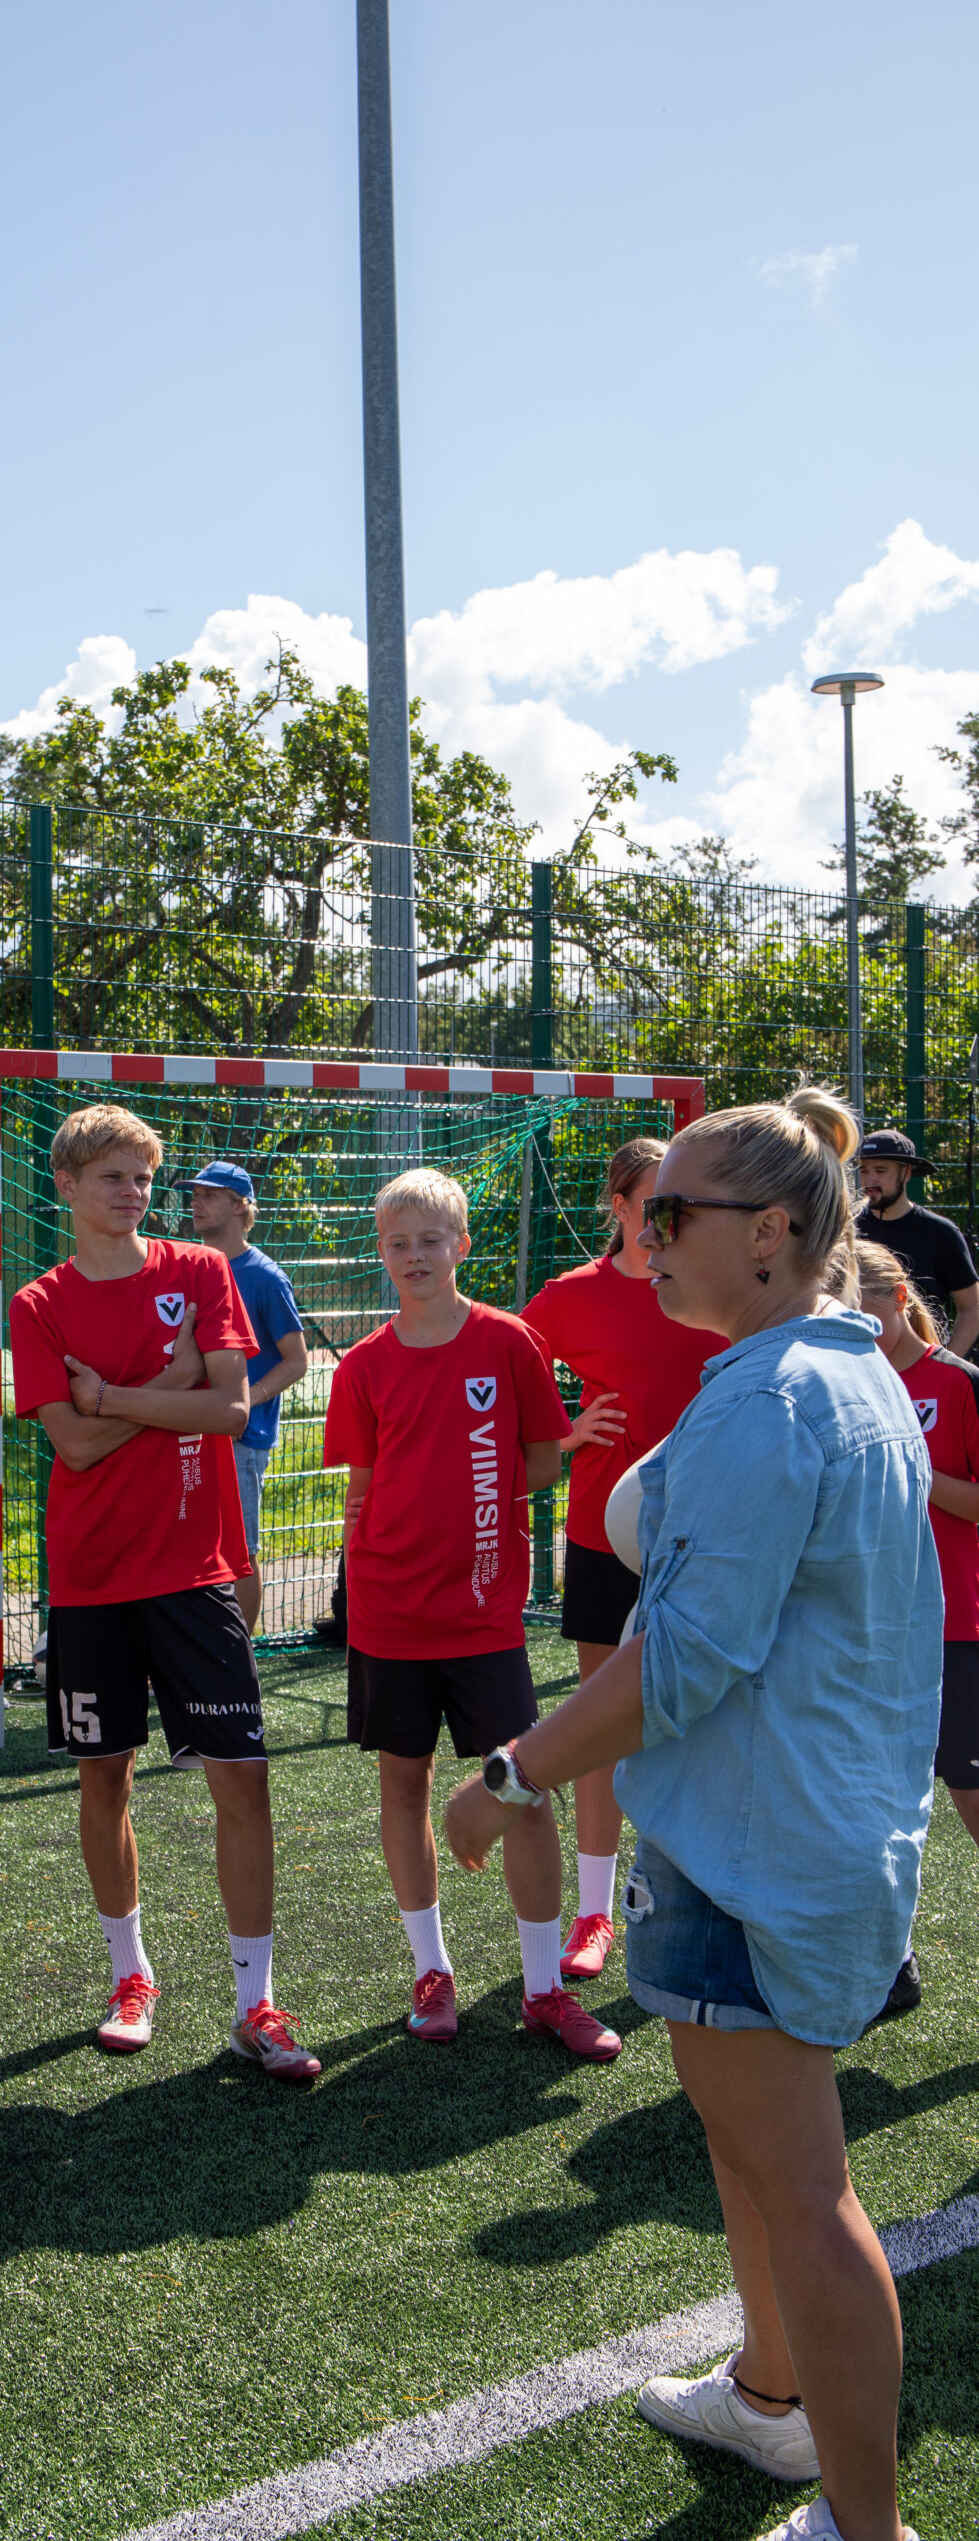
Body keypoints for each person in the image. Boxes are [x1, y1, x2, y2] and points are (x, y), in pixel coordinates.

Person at [445, 1085, 938, 2541]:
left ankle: (866, 2527)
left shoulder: (777, 1396)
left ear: (770, 1232)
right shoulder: (827, 1365)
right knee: (748, 2155)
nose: (645, 1236)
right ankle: (770, 2399)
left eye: (672, 1213)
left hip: (758, 1846)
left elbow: (680, 1663)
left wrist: (509, 1776)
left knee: (805, 2190)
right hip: (783, 1827)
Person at [7, 1103, 320, 2079]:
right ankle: (130, 1976)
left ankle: (255, 2003)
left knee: (244, 1779)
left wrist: (114, 1395)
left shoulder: (199, 1271)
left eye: (143, 1176)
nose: (134, 1192)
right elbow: (72, 1444)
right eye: (113, 1176)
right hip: (92, 1577)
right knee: (105, 1778)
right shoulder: (38, 1302)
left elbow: (227, 1408)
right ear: (67, 1186)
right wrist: (166, 1388)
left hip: (197, 1571)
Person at [322, 1166, 619, 2062]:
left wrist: (478, 1498)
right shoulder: (364, 1366)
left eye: (429, 1240)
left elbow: (542, 1460)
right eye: (396, 1242)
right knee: (402, 1784)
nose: (413, 1255)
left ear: (460, 1244)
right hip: (389, 1612)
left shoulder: (507, 1341)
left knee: (522, 1790)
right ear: (381, 1253)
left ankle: (541, 1990)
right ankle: (431, 1973)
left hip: (484, 1614)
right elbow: (363, 1488)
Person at [521, 1138, 726, 1982]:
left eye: (683, 1204)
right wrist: (564, 1434)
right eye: (654, 1203)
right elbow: (498, 1364)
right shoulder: (570, 1297)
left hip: (714, 1534)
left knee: (711, 1722)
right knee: (600, 1725)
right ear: (617, 1206)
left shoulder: (713, 1285)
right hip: (605, 1537)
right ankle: (596, 1912)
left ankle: (712, 1897)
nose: (668, 1220)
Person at [856, 1238, 979, 2016]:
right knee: (869, 1803)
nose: (854, 1325)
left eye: (863, 1307)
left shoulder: (955, 1383)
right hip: (869, 1627)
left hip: (954, 1625)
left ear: (899, 1297)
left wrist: (915, 1468)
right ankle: (890, 1962)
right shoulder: (846, 1387)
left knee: (968, 1790)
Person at [185, 1159, 309, 1634]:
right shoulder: (191, 1265)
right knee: (191, 1549)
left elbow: (296, 1360)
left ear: (240, 1207)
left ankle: (240, 1658)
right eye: (195, 1194)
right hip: (189, 1431)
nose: (196, 1203)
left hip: (241, 1439)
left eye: (209, 1195)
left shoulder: (265, 1276)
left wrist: (242, 1400)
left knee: (239, 1553)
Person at [854, 1125, 979, 1355]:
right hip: (859, 1358)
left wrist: (944, 1363)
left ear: (907, 1172)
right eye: (864, 1170)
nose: (870, 1179)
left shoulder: (940, 1232)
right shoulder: (846, 1229)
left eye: (880, 1170)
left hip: (921, 1358)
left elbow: (972, 1308)